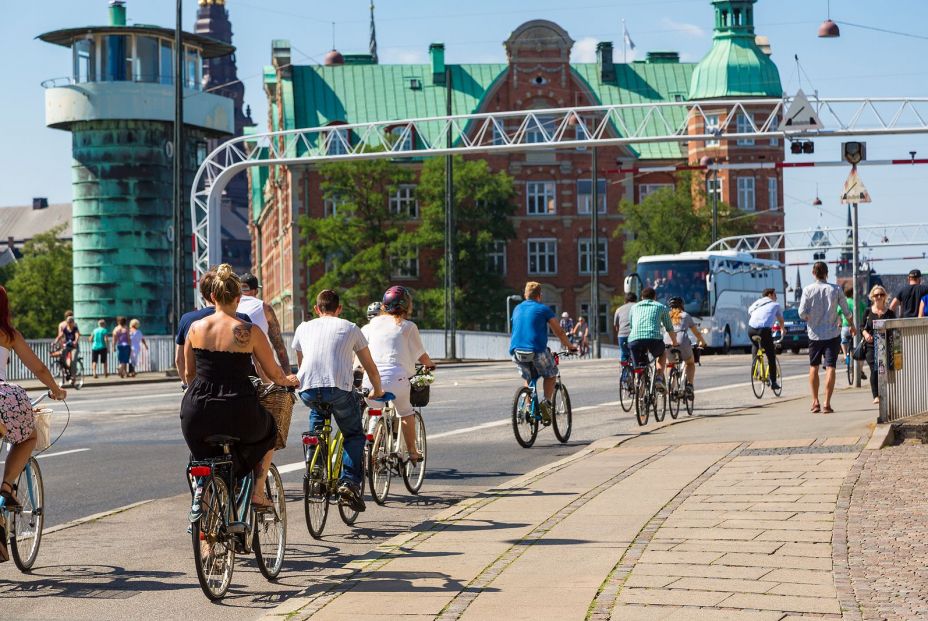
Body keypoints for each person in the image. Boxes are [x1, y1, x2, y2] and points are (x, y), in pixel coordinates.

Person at [181, 265, 298, 509]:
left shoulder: (195, 328)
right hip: (239, 408)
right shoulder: (249, 331)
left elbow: (189, 372)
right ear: (238, 298)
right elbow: (273, 372)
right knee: (269, 432)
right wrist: (289, 381)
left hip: (197, 412)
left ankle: (205, 513)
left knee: (205, 457)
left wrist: (199, 393)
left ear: (213, 297)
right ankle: (257, 491)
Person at [292, 289, 384, 512]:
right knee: (353, 434)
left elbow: (302, 363)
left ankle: (316, 472)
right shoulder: (350, 327)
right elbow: (369, 366)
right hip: (339, 390)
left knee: (318, 419)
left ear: (317, 309)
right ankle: (349, 483)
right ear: (339, 309)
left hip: (308, 391)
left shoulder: (303, 328)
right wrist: (377, 390)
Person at [0, 286, 67, 562]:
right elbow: (38, 368)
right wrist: (56, 389)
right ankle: (6, 487)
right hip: (3, 399)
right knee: (27, 437)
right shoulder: (9, 335)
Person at [362, 286, 435, 463]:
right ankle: (412, 452)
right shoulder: (408, 326)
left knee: (374, 410)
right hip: (397, 379)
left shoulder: (369, 326)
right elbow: (421, 355)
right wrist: (430, 365)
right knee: (405, 412)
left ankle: (369, 444)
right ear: (406, 305)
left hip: (369, 380)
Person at [508, 282, 575, 424]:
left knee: (528, 377)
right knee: (550, 374)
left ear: (525, 295)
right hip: (536, 350)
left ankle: (528, 407)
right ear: (540, 295)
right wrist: (570, 346)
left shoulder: (517, 309)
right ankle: (546, 404)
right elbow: (559, 331)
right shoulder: (543, 309)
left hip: (516, 351)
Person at [175, 269, 252, 384]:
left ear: (203, 293)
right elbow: (256, 360)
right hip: (236, 390)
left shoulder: (187, 320)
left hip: (201, 389)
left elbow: (179, 360)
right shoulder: (243, 321)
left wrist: (188, 387)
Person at [798, 261, 855, 414]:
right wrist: (852, 325)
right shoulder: (836, 289)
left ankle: (815, 401)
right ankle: (827, 404)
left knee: (814, 366)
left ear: (813, 274)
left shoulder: (808, 290)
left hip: (814, 334)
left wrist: (810, 318)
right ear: (827, 273)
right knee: (830, 367)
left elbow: (801, 312)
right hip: (832, 334)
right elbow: (846, 311)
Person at [236, 272, 291, 374]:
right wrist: (288, 374)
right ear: (256, 291)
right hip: (259, 369)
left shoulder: (229, 306)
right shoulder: (264, 307)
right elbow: (279, 345)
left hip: (234, 367)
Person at [628, 287, 678, 392]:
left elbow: (631, 326)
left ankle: (638, 383)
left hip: (634, 340)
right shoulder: (660, 307)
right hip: (653, 339)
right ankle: (659, 377)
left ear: (642, 297)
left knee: (639, 367)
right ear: (655, 297)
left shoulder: (634, 307)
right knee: (662, 353)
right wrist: (674, 342)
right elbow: (669, 327)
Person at [666, 297, 708, 395]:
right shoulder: (685, 315)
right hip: (682, 342)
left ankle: (671, 388)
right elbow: (696, 333)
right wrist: (703, 342)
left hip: (668, 341)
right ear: (682, 306)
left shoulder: (666, 316)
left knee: (670, 363)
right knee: (690, 363)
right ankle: (689, 385)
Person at [861, 285, 895, 405]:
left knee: (885, 371)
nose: (879, 297)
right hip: (871, 346)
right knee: (874, 369)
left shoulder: (890, 313)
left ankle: (885, 393)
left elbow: (894, 329)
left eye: (881, 294)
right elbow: (862, 327)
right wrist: (865, 334)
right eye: (876, 295)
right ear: (872, 297)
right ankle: (876, 395)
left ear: (885, 296)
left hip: (886, 345)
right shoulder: (868, 311)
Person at [748, 288, 785, 392]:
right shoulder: (775, 305)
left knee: (755, 345)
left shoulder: (756, 303)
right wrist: (783, 329)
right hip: (764, 331)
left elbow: (750, 311)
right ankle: (773, 382)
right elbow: (781, 320)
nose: (776, 297)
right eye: (775, 295)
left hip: (751, 330)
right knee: (771, 356)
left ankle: (754, 370)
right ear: (770, 295)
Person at [54, 315, 80, 383]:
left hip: (74, 347)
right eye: (68, 322)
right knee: (62, 354)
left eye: (70, 322)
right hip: (68, 346)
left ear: (72, 322)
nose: (69, 324)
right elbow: (60, 335)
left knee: (73, 360)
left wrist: (75, 341)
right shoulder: (66, 328)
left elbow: (77, 335)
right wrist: (55, 341)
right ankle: (66, 369)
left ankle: (73, 376)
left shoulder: (75, 328)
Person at [613, 293, 637, 365]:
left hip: (622, 336)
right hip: (635, 335)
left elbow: (616, 325)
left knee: (624, 353)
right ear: (635, 300)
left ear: (625, 301)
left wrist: (620, 331)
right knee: (636, 354)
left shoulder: (619, 309)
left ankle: (625, 373)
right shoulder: (637, 307)